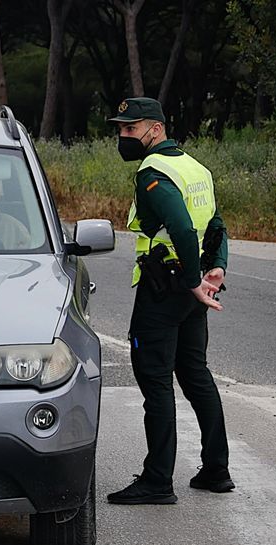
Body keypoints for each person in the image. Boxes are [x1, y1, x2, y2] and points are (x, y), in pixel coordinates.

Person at [105, 97, 235, 506]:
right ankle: (216, 470)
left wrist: (197, 280)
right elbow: (215, 224)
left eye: (131, 129)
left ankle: (158, 480)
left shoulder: (153, 170)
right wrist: (218, 266)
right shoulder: (196, 168)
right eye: (121, 129)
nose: (124, 137)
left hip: (165, 287)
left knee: (156, 381)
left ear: (155, 129)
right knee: (195, 374)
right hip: (189, 288)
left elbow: (180, 223)